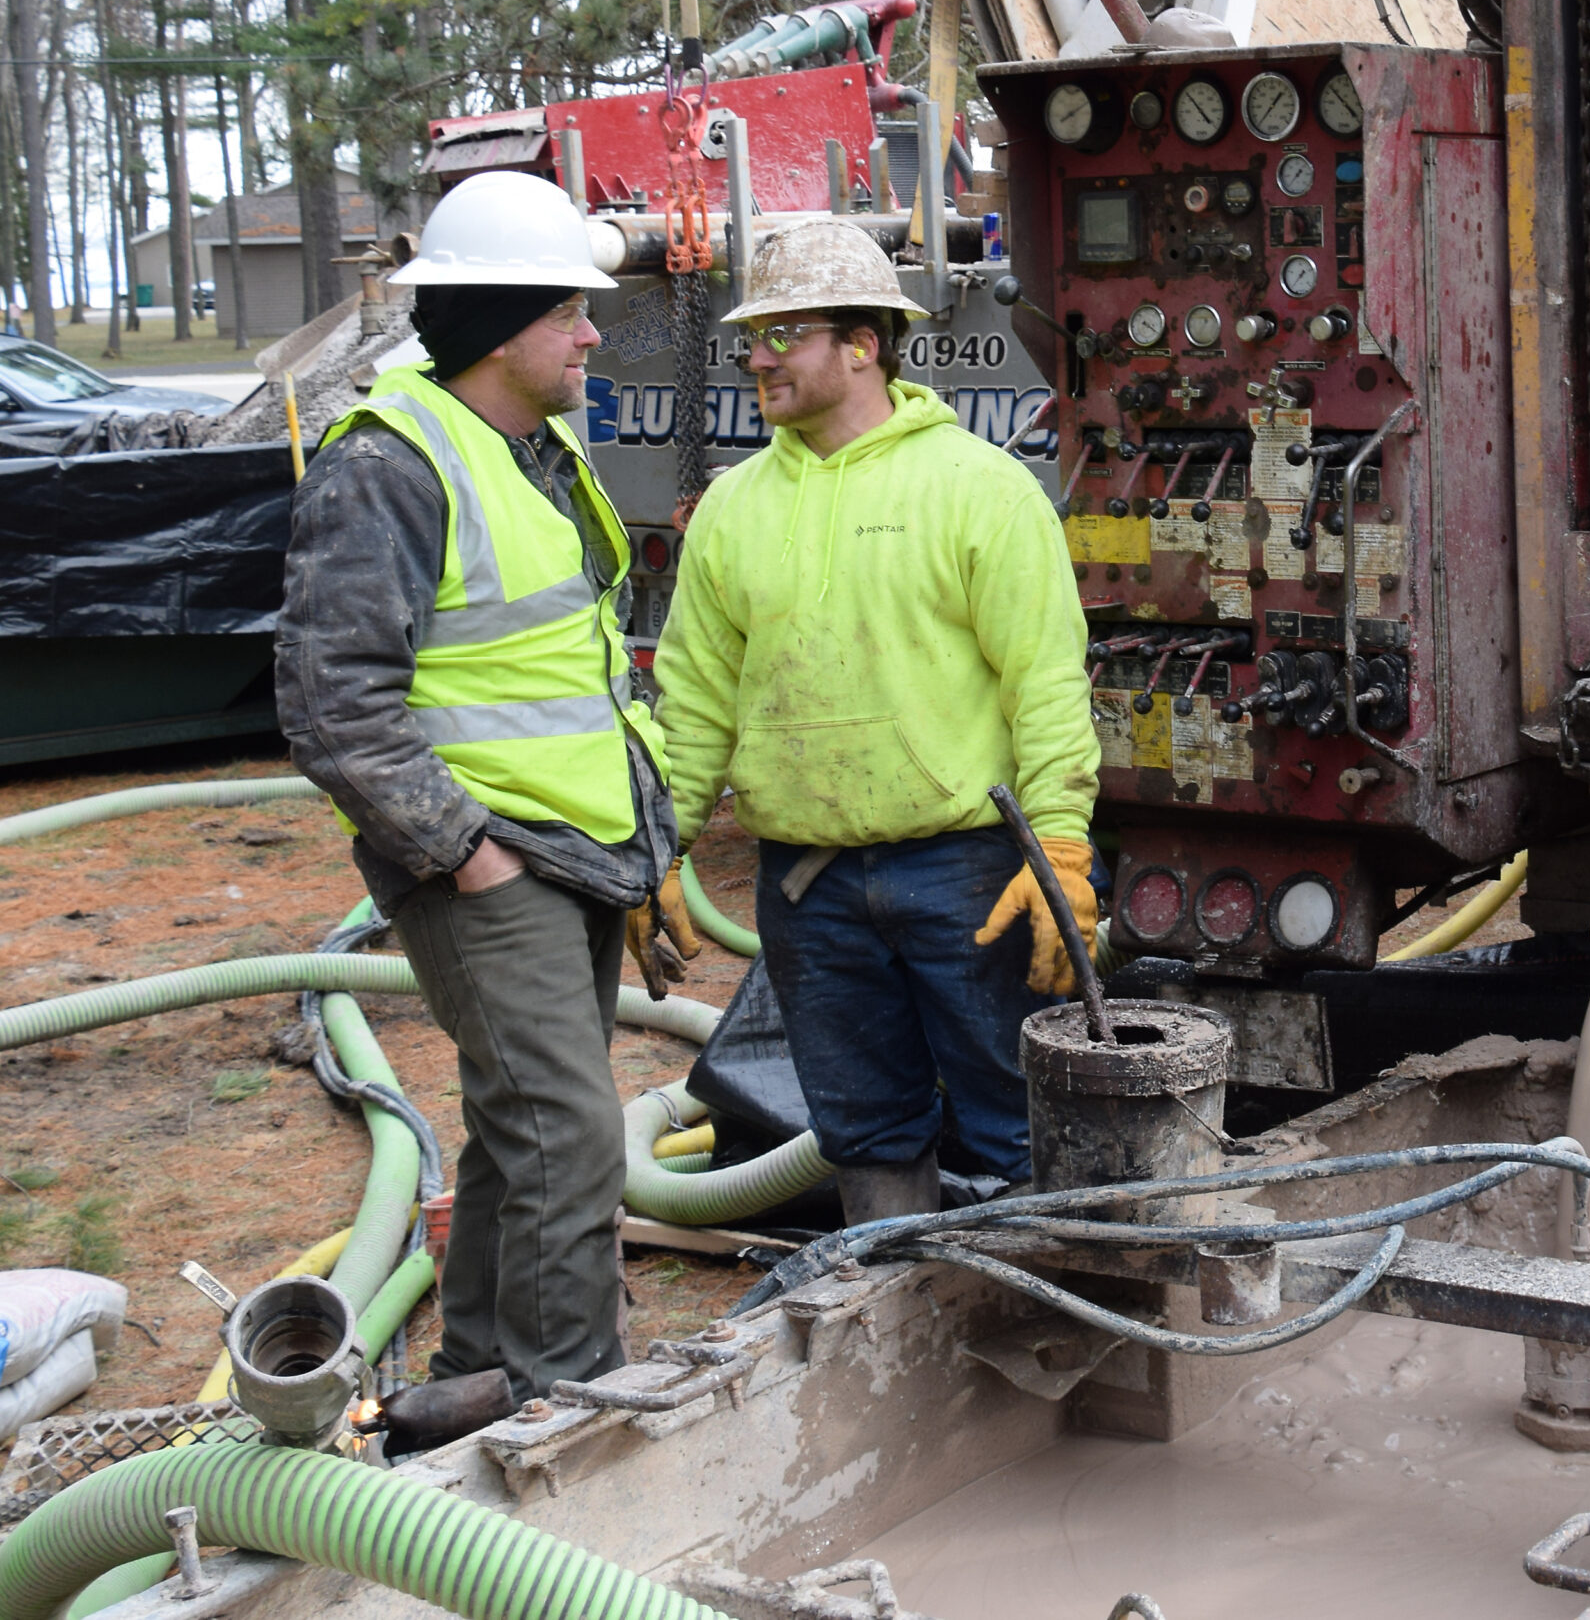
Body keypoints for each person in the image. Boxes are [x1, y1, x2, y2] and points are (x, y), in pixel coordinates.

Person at [275, 169, 698, 1402]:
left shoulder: (533, 452)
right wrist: (470, 853)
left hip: (574, 851)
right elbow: (332, 706)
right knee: (569, 1135)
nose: (591, 332)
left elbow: (572, 671)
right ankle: (571, 1408)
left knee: (524, 1138)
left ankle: (474, 1377)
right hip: (485, 860)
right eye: (571, 310)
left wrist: (642, 843)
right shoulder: (388, 470)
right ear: (508, 328)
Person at [652, 216, 1099, 1223]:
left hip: (971, 871)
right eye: (751, 339)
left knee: (1019, 1119)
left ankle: (1056, 1329)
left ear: (863, 345)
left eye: (785, 335)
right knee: (861, 1124)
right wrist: (664, 846)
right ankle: (895, 1323)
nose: (757, 357)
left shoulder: (977, 489)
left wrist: (1061, 847)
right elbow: (694, 693)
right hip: (808, 884)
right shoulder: (732, 508)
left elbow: (1044, 682)